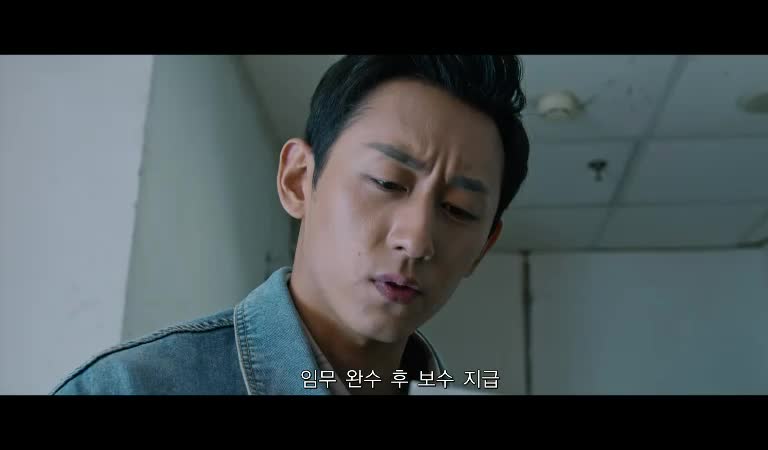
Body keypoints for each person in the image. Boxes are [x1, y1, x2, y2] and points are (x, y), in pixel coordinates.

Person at [52, 55, 531, 395]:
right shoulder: (130, 387)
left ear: (483, 247)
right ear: (299, 180)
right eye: (387, 182)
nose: (416, 239)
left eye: (459, 209)